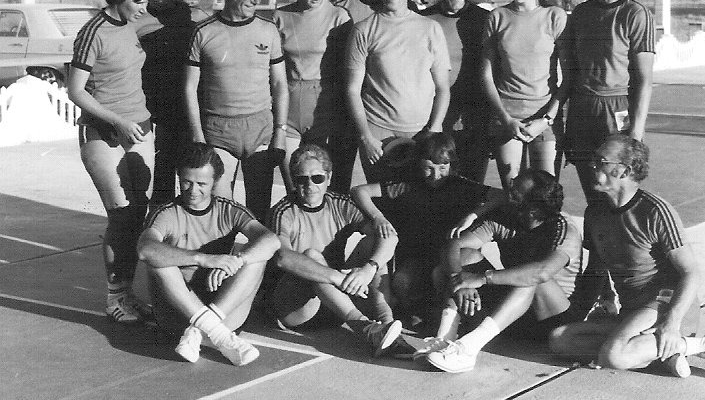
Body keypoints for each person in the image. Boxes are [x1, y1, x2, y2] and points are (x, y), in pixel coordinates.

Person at [549, 135, 705, 381]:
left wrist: (671, 322)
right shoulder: (594, 212)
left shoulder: (655, 211)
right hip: (631, 310)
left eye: (601, 161)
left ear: (625, 170)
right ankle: (662, 352)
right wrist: (600, 303)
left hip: (666, 303)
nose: (592, 165)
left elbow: (691, 272)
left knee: (614, 356)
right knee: (560, 340)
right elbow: (596, 268)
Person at [424, 169, 583, 373]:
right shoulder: (506, 216)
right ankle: (445, 336)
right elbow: (454, 244)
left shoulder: (563, 228)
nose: (506, 194)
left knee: (530, 279)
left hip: (553, 321)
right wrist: (460, 281)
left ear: (533, 210)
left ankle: (468, 349)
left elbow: (542, 272)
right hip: (513, 312)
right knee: (461, 259)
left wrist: (482, 278)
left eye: (515, 193)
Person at [137, 143, 279, 366]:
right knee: (159, 261)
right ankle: (219, 335)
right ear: (179, 178)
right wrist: (202, 258)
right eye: (187, 182)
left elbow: (271, 240)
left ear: (215, 182)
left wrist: (238, 260)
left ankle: (203, 329)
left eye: (201, 184)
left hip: (224, 309)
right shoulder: (166, 213)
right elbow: (145, 249)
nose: (193, 191)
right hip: (178, 313)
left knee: (256, 259)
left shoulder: (229, 210)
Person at [68, 0, 155, 323]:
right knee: (121, 216)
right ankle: (115, 298)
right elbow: (75, 91)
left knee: (138, 213)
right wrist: (117, 121)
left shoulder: (134, 23)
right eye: (138, 1)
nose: (144, 8)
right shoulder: (92, 32)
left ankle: (129, 294)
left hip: (140, 128)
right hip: (104, 134)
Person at [268, 144, 403, 356]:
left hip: (336, 304)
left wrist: (368, 270)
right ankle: (364, 327)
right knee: (311, 256)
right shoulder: (283, 211)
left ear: (328, 178)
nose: (310, 185)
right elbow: (282, 257)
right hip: (296, 308)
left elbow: (390, 237)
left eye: (317, 178)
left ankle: (387, 324)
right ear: (294, 181)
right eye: (302, 179)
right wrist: (336, 278)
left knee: (374, 245)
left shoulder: (339, 204)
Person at [351, 133, 505, 318]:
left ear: (451, 164)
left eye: (443, 167)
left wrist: (472, 216)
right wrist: (378, 217)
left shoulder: (461, 186)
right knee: (402, 282)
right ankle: (422, 312)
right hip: (417, 259)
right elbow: (359, 191)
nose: (436, 175)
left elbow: (501, 195)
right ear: (418, 164)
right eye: (429, 168)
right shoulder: (406, 185)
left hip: (450, 256)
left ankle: (454, 312)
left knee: (461, 263)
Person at [184, 0, 289, 222]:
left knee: (259, 211)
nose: (256, 0)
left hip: (260, 129)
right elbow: (189, 88)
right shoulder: (204, 32)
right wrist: (197, 134)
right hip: (218, 131)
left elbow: (280, 85)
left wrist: (280, 131)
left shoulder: (268, 30)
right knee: (220, 211)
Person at [561, 0, 655, 203]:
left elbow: (644, 80)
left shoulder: (635, 14)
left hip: (616, 111)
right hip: (582, 109)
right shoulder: (580, 13)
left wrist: (636, 133)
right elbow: (571, 72)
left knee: (615, 194)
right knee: (592, 193)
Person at [345, 0, 451, 183]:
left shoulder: (430, 29)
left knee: (418, 198)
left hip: (422, 134)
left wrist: (433, 130)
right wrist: (366, 137)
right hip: (378, 133)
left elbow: (443, 88)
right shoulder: (363, 30)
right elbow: (352, 90)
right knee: (382, 197)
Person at [480, 0, 568, 186]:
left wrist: (546, 119)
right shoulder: (497, 17)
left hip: (544, 118)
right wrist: (505, 119)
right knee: (514, 194)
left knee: (545, 194)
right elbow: (486, 76)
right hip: (506, 118)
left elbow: (569, 77)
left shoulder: (555, 16)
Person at [273, 0, 355, 193]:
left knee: (321, 189)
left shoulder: (339, 17)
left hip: (325, 108)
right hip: (288, 105)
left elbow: (348, 70)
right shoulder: (279, 17)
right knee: (294, 187)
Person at [137, 0, 209, 207]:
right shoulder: (136, 16)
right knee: (156, 186)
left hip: (183, 113)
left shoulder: (195, 17)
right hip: (146, 114)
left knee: (191, 182)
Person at [420, 0, 491, 183]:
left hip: (475, 117)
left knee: (471, 185)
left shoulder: (486, 20)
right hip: (433, 117)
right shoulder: (422, 20)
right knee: (435, 184)